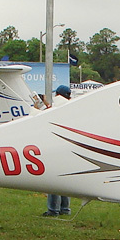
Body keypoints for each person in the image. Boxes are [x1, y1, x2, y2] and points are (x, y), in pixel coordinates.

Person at [44, 85, 72, 216]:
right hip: (67, 149)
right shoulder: (70, 107)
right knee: (64, 180)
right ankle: (65, 208)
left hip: (56, 148)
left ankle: (53, 210)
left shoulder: (60, 107)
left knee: (54, 180)